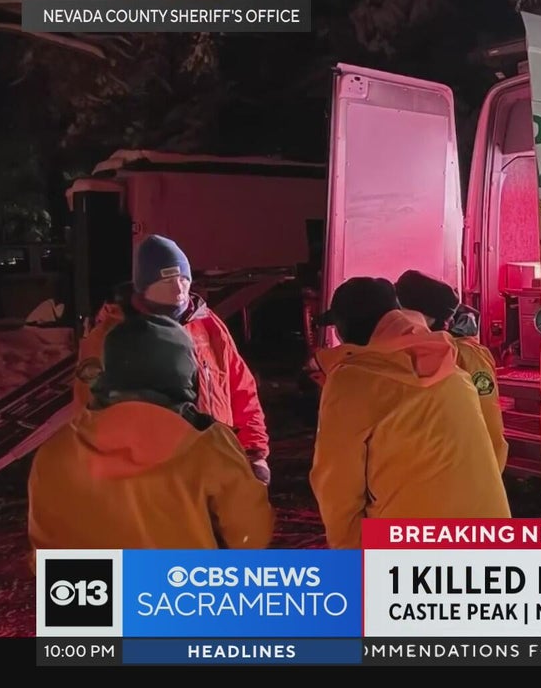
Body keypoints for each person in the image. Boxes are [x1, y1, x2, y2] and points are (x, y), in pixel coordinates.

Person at [28, 313, 273, 564]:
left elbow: (44, 552)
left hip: (89, 587)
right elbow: (250, 538)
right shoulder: (209, 445)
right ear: (185, 372)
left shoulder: (55, 450)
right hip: (178, 585)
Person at [310, 277, 510, 549]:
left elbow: (337, 487)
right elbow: (491, 443)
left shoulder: (352, 382)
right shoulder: (451, 364)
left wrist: (351, 553)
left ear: (345, 329)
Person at [73, 234, 272, 484]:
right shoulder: (109, 339)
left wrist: (254, 452)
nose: (179, 289)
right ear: (144, 287)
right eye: (167, 281)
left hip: (217, 466)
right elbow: (89, 414)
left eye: (184, 279)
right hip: (151, 480)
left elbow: (241, 388)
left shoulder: (207, 324)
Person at [395, 269, 508, 471]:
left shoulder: (466, 354)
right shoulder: (409, 347)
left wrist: (489, 475)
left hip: (463, 473)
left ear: (426, 316)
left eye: (401, 308)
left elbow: (489, 423)